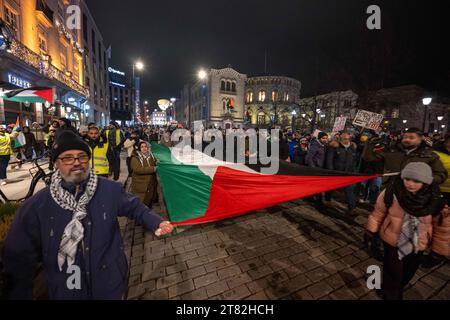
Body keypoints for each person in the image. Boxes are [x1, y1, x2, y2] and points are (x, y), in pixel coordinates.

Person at [2, 131, 174, 300]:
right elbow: (19, 261)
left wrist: (156, 222)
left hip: (110, 284)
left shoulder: (108, 189)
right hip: (67, 289)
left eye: (82, 156)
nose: (77, 163)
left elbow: (136, 208)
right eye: (68, 158)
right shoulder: (37, 205)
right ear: (56, 163)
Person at [365, 162, 450, 300]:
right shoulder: (391, 191)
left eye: (417, 180)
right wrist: (370, 230)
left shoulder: (436, 201)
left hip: (418, 243)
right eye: (407, 179)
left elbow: (443, 228)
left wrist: (438, 251)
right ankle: (391, 294)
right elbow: (378, 212)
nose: (410, 184)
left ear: (426, 181)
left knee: (408, 272)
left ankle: (395, 287)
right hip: (392, 239)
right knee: (393, 271)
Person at [363, 128, 447, 187]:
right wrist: (370, 144)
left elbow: (441, 175)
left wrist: (424, 179)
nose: (407, 140)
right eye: (405, 137)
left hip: (415, 194)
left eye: (412, 138)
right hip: (390, 189)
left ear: (420, 139)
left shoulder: (429, 155)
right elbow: (369, 158)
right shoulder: (392, 150)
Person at [325, 132, 359, 214]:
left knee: (349, 190)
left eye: (348, 139)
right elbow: (329, 160)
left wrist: (354, 171)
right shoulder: (334, 147)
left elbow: (354, 161)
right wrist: (331, 171)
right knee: (331, 187)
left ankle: (352, 207)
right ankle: (327, 199)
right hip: (336, 172)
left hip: (348, 173)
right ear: (340, 139)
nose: (346, 140)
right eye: (344, 139)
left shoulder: (352, 148)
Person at [130, 141, 157, 207]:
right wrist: (153, 169)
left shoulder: (151, 156)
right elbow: (138, 169)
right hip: (140, 187)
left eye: (145, 147)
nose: (144, 148)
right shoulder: (135, 158)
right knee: (140, 206)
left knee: (148, 205)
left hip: (150, 186)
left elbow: (156, 164)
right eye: (142, 147)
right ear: (139, 148)